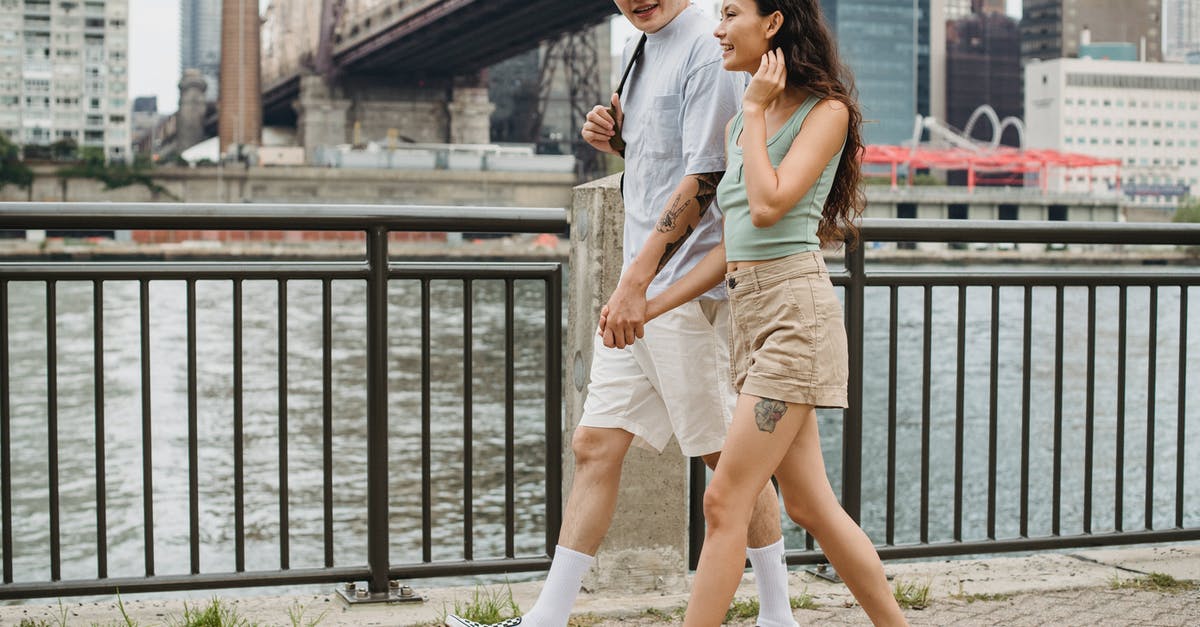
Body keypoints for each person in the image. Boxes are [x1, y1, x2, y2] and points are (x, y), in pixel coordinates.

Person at [445, 2, 798, 627]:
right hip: (638, 287)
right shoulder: (642, 45)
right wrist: (619, 137)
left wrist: (636, 281)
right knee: (595, 446)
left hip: (684, 291)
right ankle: (546, 620)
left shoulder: (706, 46)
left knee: (728, 458)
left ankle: (778, 613)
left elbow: (709, 175)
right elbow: (662, 155)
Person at [629, 1, 911, 625]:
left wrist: (753, 110)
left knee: (725, 500)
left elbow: (768, 206)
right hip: (751, 317)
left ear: (775, 23)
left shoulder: (825, 113)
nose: (717, 28)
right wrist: (651, 304)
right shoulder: (742, 128)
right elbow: (731, 246)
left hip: (795, 318)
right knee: (813, 508)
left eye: (730, 13)